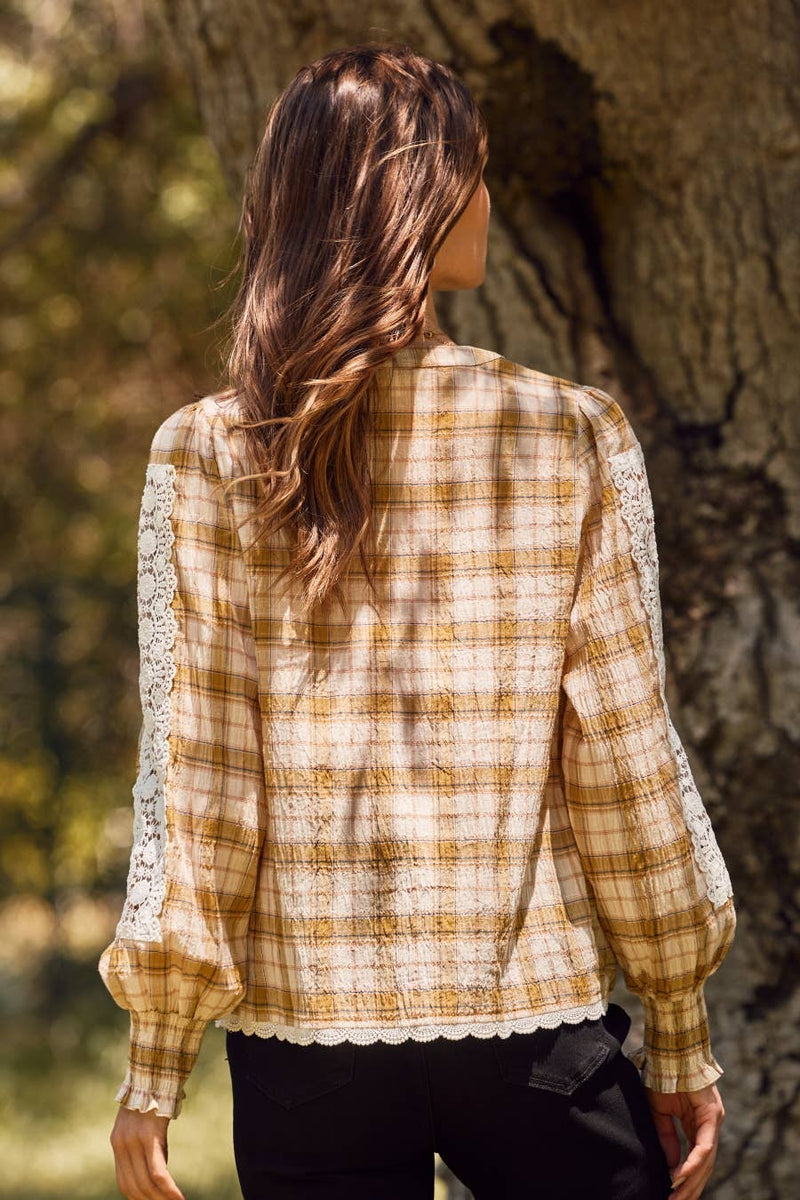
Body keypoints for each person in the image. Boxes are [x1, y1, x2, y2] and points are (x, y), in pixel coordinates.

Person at [98, 41, 737, 1200]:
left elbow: (201, 776)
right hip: (534, 1027)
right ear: (417, 199)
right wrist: (678, 1019)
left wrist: (157, 1059)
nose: (487, 198)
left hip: (304, 1047)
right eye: (473, 172)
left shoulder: (209, 450)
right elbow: (622, 758)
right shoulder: (570, 436)